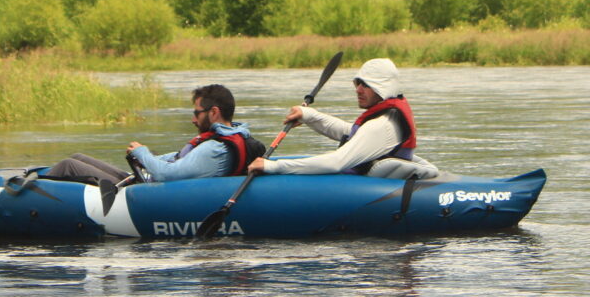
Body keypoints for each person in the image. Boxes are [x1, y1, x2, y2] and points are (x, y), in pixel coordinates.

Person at [248, 58, 439, 179]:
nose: (358, 89)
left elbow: (336, 162)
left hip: (366, 186)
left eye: (365, 85)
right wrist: (308, 115)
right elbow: (349, 133)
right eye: (357, 83)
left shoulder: (383, 126)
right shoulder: (384, 117)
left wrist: (274, 166)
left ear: (383, 88)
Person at [44, 84, 265, 184]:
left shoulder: (214, 149)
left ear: (214, 112)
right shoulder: (229, 136)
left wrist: (143, 153)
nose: (193, 119)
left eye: (197, 113)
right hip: (146, 182)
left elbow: (167, 175)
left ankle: (32, 200)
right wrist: (148, 158)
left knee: (67, 165)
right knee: (78, 158)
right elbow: (179, 158)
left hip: (148, 193)